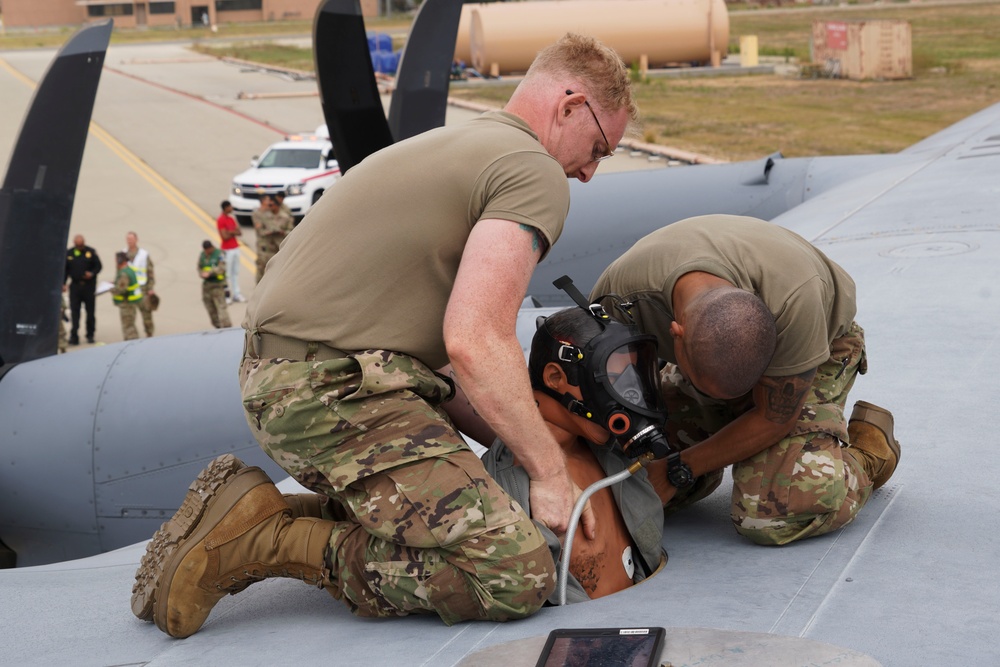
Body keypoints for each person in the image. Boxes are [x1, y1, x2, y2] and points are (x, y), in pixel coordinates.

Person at [132, 33, 636, 638]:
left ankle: (255, 514)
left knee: (470, 507)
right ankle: (263, 542)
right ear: (570, 105)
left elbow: (448, 365)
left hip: (295, 376)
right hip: (331, 390)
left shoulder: (466, 143)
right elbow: (476, 340)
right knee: (511, 571)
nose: (588, 172)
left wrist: (524, 445)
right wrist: (550, 473)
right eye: (599, 146)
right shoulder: (533, 171)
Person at [590, 214, 902, 546]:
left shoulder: (795, 303)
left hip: (821, 349)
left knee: (769, 512)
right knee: (622, 472)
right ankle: (711, 451)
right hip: (722, 358)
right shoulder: (618, 299)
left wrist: (679, 469)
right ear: (675, 334)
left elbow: (773, 416)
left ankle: (868, 455)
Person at [483, 306, 668, 603]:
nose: (626, 397)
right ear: (556, 377)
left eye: (630, 380)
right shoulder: (503, 496)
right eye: (612, 379)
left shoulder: (616, 460)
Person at [64, 234, 102, 345]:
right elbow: (65, 270)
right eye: (78, 245)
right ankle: (74, 336)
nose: (80, 247)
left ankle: (90, 335)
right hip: (75, 287)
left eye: (81, 245)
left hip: (89, 287)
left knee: (90, 312)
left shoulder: (91, 252)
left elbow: (98, 266)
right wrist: (63, 283)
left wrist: (91, 273)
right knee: (75, 312)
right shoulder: (69, 253)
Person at [251, 194, 293, 282]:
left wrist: (281, 232)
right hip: (264, 247)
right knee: (261, 268)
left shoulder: (282, 215)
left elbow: (290, 230)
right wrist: (270, 231)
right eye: (268, 202)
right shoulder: (260, 214)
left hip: (277, 247)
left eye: (272, 204)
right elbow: (260, 231)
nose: (270, 205)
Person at [123, 231, 156, 337]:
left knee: (147, 315)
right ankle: (132, 337)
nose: (130, 241)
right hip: (130, 291)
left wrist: (150, 288)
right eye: (128, 239)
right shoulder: (123, 254)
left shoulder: (143, 254)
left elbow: (150, 272)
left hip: (143, 290)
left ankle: (149, 334)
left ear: (136, 240)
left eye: (131, 239)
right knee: (129, 317)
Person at [197, 240, 231, 329]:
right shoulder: (203, 255)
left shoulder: (220, 254)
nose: (206, 252)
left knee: (221, 308)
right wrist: (201, 273)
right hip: (207, 285)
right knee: (210, 308)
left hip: (218, 285)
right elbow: (199, 267)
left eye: (207, 250)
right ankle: (218, 327)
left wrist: (210, 273)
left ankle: (227, 327)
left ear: (211, 247)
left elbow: (222, 268)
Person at [216, 200, 245, 303]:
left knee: (235, 272)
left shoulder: (231, 219)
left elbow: (239, 232)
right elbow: (224, 236)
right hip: (227, 250)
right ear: (226, 208)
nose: (232, 208)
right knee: (227, 273)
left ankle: (237, 294)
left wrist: (230, 232)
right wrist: (233, 232)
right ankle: (227, 295)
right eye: (230, 207)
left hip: (235, 248)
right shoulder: (221, 220)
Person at [111, 251, 142, 340]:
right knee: (130, 325)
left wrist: (111, 288)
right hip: (130, 304)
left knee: (128, 328)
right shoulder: (129, 270)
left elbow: (121, 289)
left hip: (127, 304)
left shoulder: (124, 273)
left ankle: (131, 346)